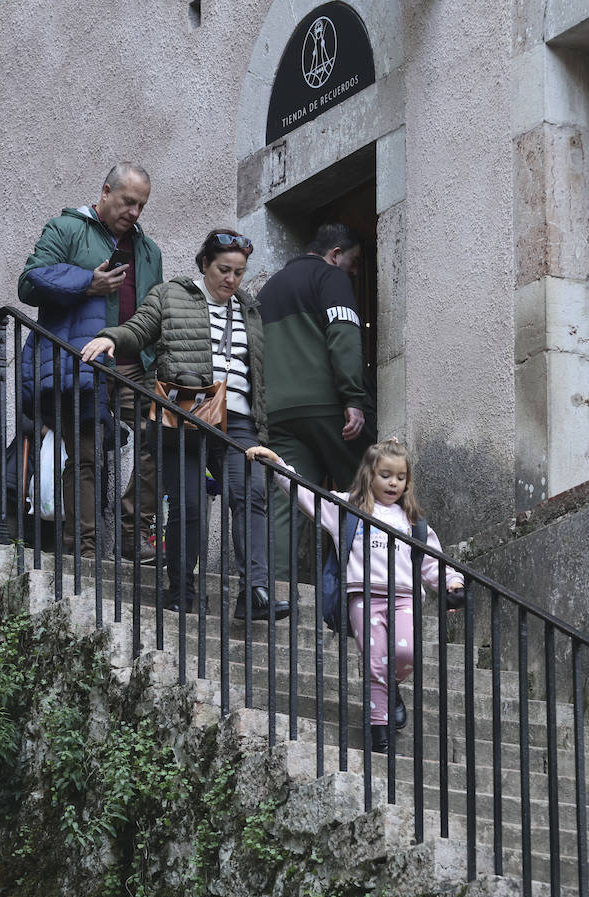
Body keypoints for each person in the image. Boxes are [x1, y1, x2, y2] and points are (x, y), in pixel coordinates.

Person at [80, 229, 287, 621]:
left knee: (251, 495)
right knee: (189, 506)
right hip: (184, 416)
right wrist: (110, 338)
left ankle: (255, 591)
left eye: (239, 272)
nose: (231, 279)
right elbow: (138, 329)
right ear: (204, 264)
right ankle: (181, 592)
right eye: (224, 269)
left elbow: (254, 372)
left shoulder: (249, 310)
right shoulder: (171, 295)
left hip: (239, 421)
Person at [245, 439, 464, 753]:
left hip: (404, 598)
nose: (393, 483)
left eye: (400, 477)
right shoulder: (347, 509)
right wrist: (278, 464)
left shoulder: (412, 521)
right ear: (369, 475)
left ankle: (390, 692)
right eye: (386, 475)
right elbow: (307, 497)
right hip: (362, 598)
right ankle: (379, 730)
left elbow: (432, 562)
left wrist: (452, 584)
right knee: (376, 663)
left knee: (407, 655)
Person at [18, 161, 163, 561]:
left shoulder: (149, 250)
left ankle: (133, 529)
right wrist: (87, 283)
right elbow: (29, 282)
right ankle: (82, 548)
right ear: (105, 192)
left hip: (137, 365)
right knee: (85, 455)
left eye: (141, 206)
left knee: (163, 439)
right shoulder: (67, 228)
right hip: (83, 361)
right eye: (128, 202)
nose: (134, 212)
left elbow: (155, 307)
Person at [255, 223, 370, 575]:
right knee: (368, 490)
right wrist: (353, 397)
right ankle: (371, 585)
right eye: (353, 261)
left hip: (278, 412)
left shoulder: (268, 288)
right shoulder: (331, 278)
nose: (355, 270)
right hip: (326, 408)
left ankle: (272, 589)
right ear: (335, 254)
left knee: (285, 500)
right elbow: (343, 336)